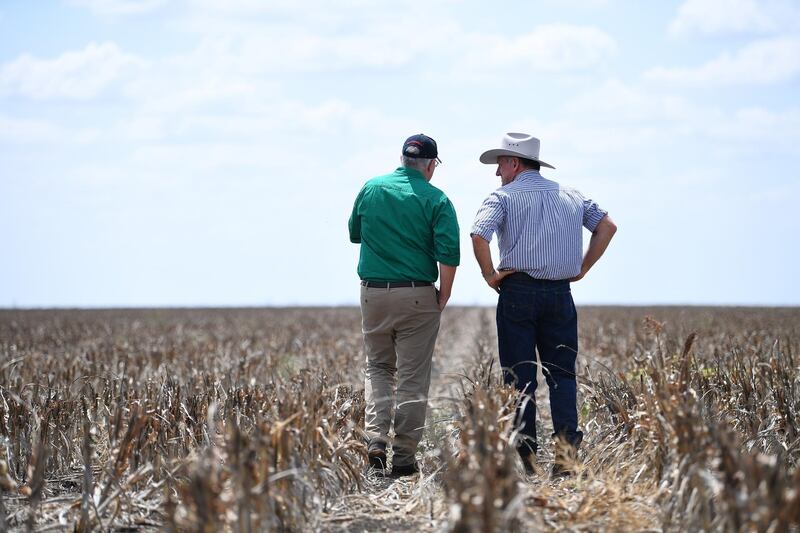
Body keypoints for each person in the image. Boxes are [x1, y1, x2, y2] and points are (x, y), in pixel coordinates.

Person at [470, 132, 617, 477]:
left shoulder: (503, 196)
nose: (497, 173)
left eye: (500, 164)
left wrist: (490, 275)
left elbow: (479, 235)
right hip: (560, 294)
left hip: (517, 291)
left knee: (520, 378)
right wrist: (582, 268)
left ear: (515, 163)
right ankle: (566, 458)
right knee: (562, 376)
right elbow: (607, 226)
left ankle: (527, 459)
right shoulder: (572, 195)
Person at [349, 133, 460, 476]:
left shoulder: (371, 188)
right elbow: (449, 253)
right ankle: (403, 458)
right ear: (430, 165)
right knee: (413, 377)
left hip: (373, 293)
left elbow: (355, 233)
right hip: (417, 295)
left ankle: (376, 440)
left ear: (402, 159)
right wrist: (445, 293)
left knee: (378, 368)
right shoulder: (436, 198)